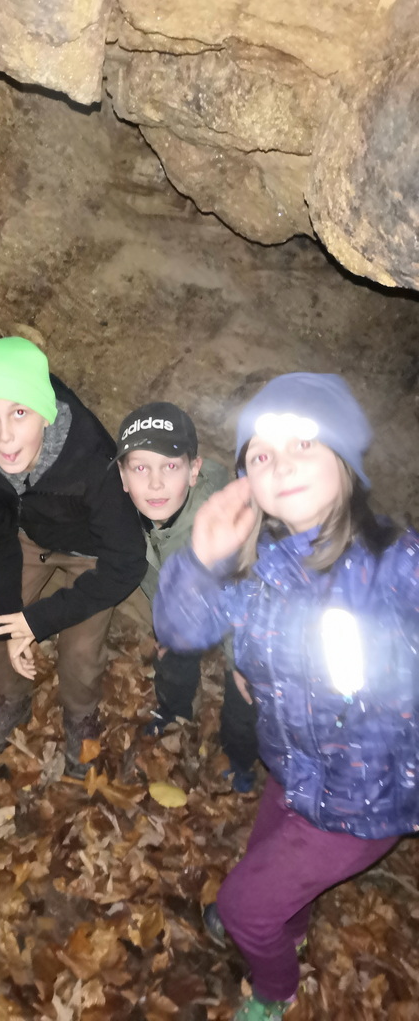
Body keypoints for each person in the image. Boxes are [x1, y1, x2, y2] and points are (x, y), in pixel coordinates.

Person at [152, 372, 419, 1021]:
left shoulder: (395, 564)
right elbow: (181, 631)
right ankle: (288, 925)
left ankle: (275, 991)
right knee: (264, 864)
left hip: (363, 801)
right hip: (293, 769)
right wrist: (201, 560)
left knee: (244, 906)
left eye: (304, 443)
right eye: (262, 455)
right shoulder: (260, 564)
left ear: (345, 458)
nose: (283, 463)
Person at [0, 336, 147, 778]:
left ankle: (80, 717)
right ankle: (14, 699)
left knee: (78, 651)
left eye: (20, 413)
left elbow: (126, 562)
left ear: (45, 412)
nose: (4, 435)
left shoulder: (93, 460)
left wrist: (36, 621)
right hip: (29, 540)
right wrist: (11, 618)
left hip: (93, 552)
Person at [113, 401, 258, 791]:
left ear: (194, 471)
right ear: (123, 476)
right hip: (183, 611)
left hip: (240, 623)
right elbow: (149, 572)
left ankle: (241, 758)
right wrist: (165, 626)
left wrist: (241, 662)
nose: (155, 484)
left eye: (170, 467)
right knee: (172, 662)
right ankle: (174, 713)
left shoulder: (222, 524)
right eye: (140, 468)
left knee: (244, 700)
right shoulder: (124, 516)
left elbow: (247, 595)